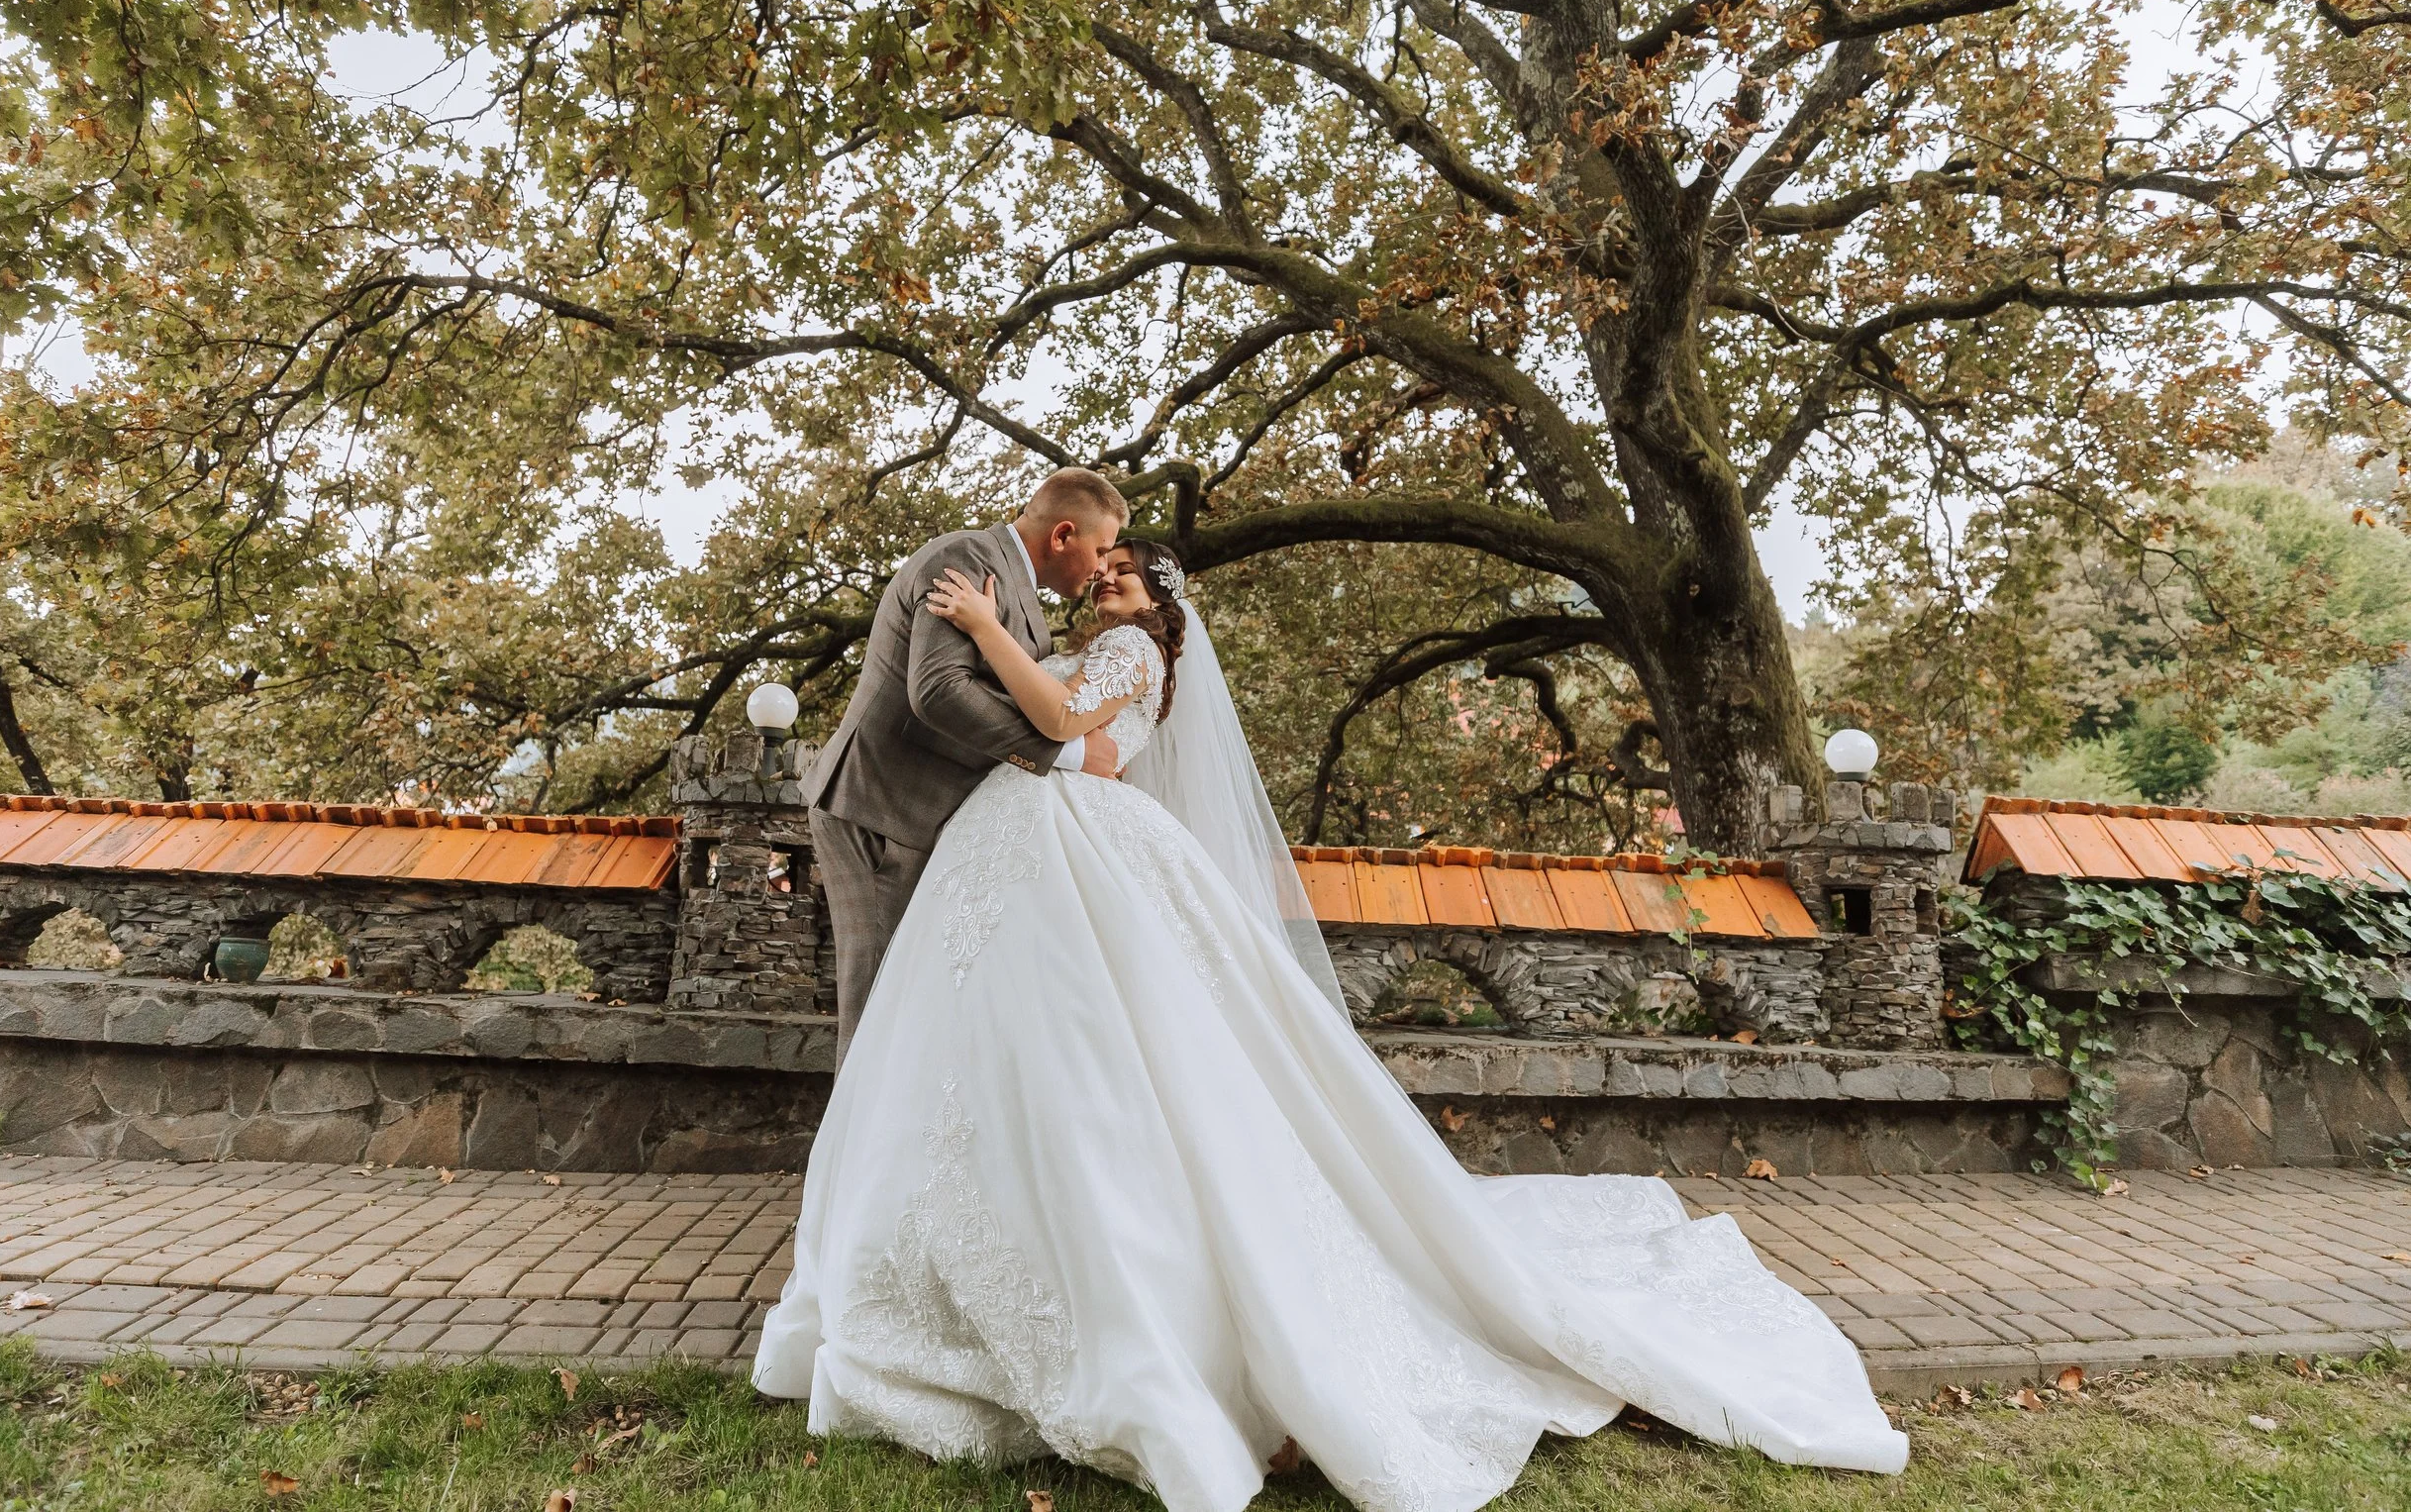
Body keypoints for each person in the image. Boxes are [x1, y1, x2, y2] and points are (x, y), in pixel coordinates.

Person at [755, 541, 1909, 1511]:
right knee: (1019, 1060)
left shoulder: (1124, 654)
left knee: (1099, 1058)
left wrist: (980, 625)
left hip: (1070, 835)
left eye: (1121, 571)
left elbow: (1065, 729)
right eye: (1097, 568)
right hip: (1029, 851)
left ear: (1159, 601)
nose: (1100, 582)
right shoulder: (1113, 640)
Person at [799, 467, 1130, 1063]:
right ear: (1062, 536)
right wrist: (1071, 754)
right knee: (879, 1013)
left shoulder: (1011, 582)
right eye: (1101, 550)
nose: (1102, 568)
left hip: (925, 818)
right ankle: (856, 1158)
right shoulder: (967, 558)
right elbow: (939, 691)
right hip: (882, 807)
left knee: (914, 1009)